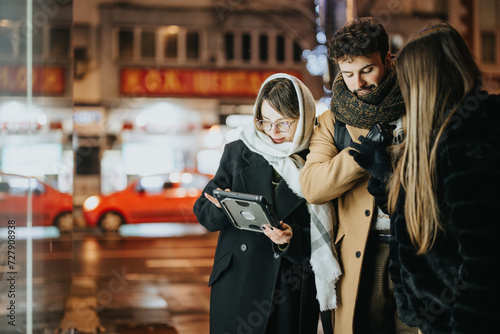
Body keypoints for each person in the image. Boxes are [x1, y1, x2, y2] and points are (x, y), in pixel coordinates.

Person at [349, 22, 500, 334]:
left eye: (407, 80)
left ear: (427, 80)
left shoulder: (467, 139)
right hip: (435, 316)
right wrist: (387, 177)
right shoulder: (437, 134)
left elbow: (482, 260)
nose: (402, 89)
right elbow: (426, 217)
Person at [193, 73, 341, 334]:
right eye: (264, 121)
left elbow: (332, 232)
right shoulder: (239, 151)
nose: (272, 132)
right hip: (237, 280)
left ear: (304, 118)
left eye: (284, 123)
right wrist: (221, 207)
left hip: (288, 286)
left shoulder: (319, 157)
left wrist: (291, 238)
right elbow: (203, 210)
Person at [299, 17, 417, 334]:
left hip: (416, 245)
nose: (358, 83)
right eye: (348, 73)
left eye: (367, 70)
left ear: (387, 60)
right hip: (362, 252)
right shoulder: (331, 121)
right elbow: (312, 186)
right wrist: (360, 154)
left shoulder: (418, 107)